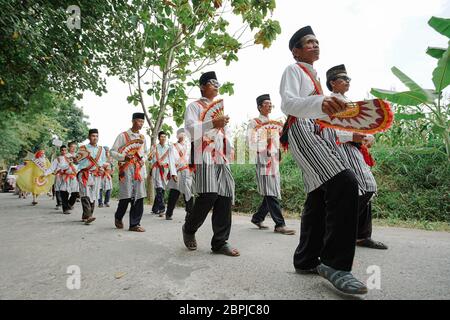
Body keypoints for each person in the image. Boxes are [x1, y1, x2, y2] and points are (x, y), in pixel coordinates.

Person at [279, 26, 367, 294]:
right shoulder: (293, 70)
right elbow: (288, 103)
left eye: (317, 41)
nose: (315, 45)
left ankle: (305, 259)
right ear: (296, 50)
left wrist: (353, 128)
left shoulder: (316, 78)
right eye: (308, 42)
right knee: (345, 183)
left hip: (320, 131)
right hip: (301, 129)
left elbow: (325, 117)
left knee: (319, 193)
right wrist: (321, 104)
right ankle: (335, 264)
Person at [326, 64, 387, 250]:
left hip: (355, 150)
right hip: (342, 150)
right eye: (343, 79)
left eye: (348, 79)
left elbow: (362, 127)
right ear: (333, 83)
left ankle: (361, 235)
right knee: (364, 188)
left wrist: (368, 136)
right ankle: (338, 232)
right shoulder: (330, 103)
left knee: (366, 189)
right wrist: (352, 136)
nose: (347, 82)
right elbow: (328, 132)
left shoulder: (350, 103)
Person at [182, 71, 240, 257]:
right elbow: (190, 130)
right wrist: (212, 123)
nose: (216, 85)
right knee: (209, 195)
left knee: (225, 195)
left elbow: (224, 133)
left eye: (217, 83)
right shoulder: (194, 107)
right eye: (211, 82)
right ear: (201, 86)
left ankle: (220, 242)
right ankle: (189, 228)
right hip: (203, 152)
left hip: (220, 154)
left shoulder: (219, 111)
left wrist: (229, 149)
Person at [247, 94, 295, 235]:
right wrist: (264, 140)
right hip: (262, 160)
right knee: (271, 192)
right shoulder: (254, 123)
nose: (270, 106)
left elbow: (278, 142)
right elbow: (250, 143)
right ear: (260, 106)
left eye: (271, 103)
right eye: (267, 103)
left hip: (274, 160)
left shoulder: (274, 123)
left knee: (273, 191)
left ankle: (257, 217)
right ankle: (280, 224)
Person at [110, 113, 149, 232]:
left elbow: (146, 153)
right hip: (126, 169)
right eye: (138, 121)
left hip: (138, 169)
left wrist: (143, 160)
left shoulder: (142, 138)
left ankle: (134, 224)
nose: (140, 124)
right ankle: (118, 217)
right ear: (132, 121)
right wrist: (123, 157)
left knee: (139, 196)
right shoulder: (123, 136)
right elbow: (112, 151)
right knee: (126, 197)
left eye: (142, 122)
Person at [75, 129, 106, 225]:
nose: (95, 138)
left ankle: (86, 216)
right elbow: (77, 161)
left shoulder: (101, 149)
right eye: (93, 136)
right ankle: (88, 216)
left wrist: (102, 168)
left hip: (96, 174)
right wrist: (75, 160)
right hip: (84, 174)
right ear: (89, 137)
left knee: (93, 195)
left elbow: (103, 162)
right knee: (85, 194)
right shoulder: (82, 148)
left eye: (96, 136)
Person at [165, 128, 194, 221]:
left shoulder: (188, 146)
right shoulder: (172, 146)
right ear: (177, 135)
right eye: (180, 133)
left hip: (187, 171)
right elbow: (171, 161)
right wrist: (173, 173)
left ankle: (189, 213)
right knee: (174, 193)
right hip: (177, 172)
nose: (183, 135)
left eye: (184, 133)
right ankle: (169, 213)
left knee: (189, 193)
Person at [45, 145, 79, 214]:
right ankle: (65, 208)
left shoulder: (72, 157)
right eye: (62, 150)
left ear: (67, 150)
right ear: (60, 151)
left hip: (73, 176)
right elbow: (52, 168)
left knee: (75, 193)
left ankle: (69, 204)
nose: (64, 151)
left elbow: (79, 166)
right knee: (63, 192)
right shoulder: (58, 159)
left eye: (65, 150)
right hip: (63, 177)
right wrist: (45, 174)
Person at [149, 131, 170, 216]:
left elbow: (170, 159)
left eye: (165, 137)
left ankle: (155, 208)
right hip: (157, 169)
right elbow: (149, 158)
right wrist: (150, 156)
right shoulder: (154, 147)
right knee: (159, 188)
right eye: (162, 136)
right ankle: (162, 209)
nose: (163, 138)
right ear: (158, 138)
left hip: (165, 169)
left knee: (163, 189)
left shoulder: (168, 148)